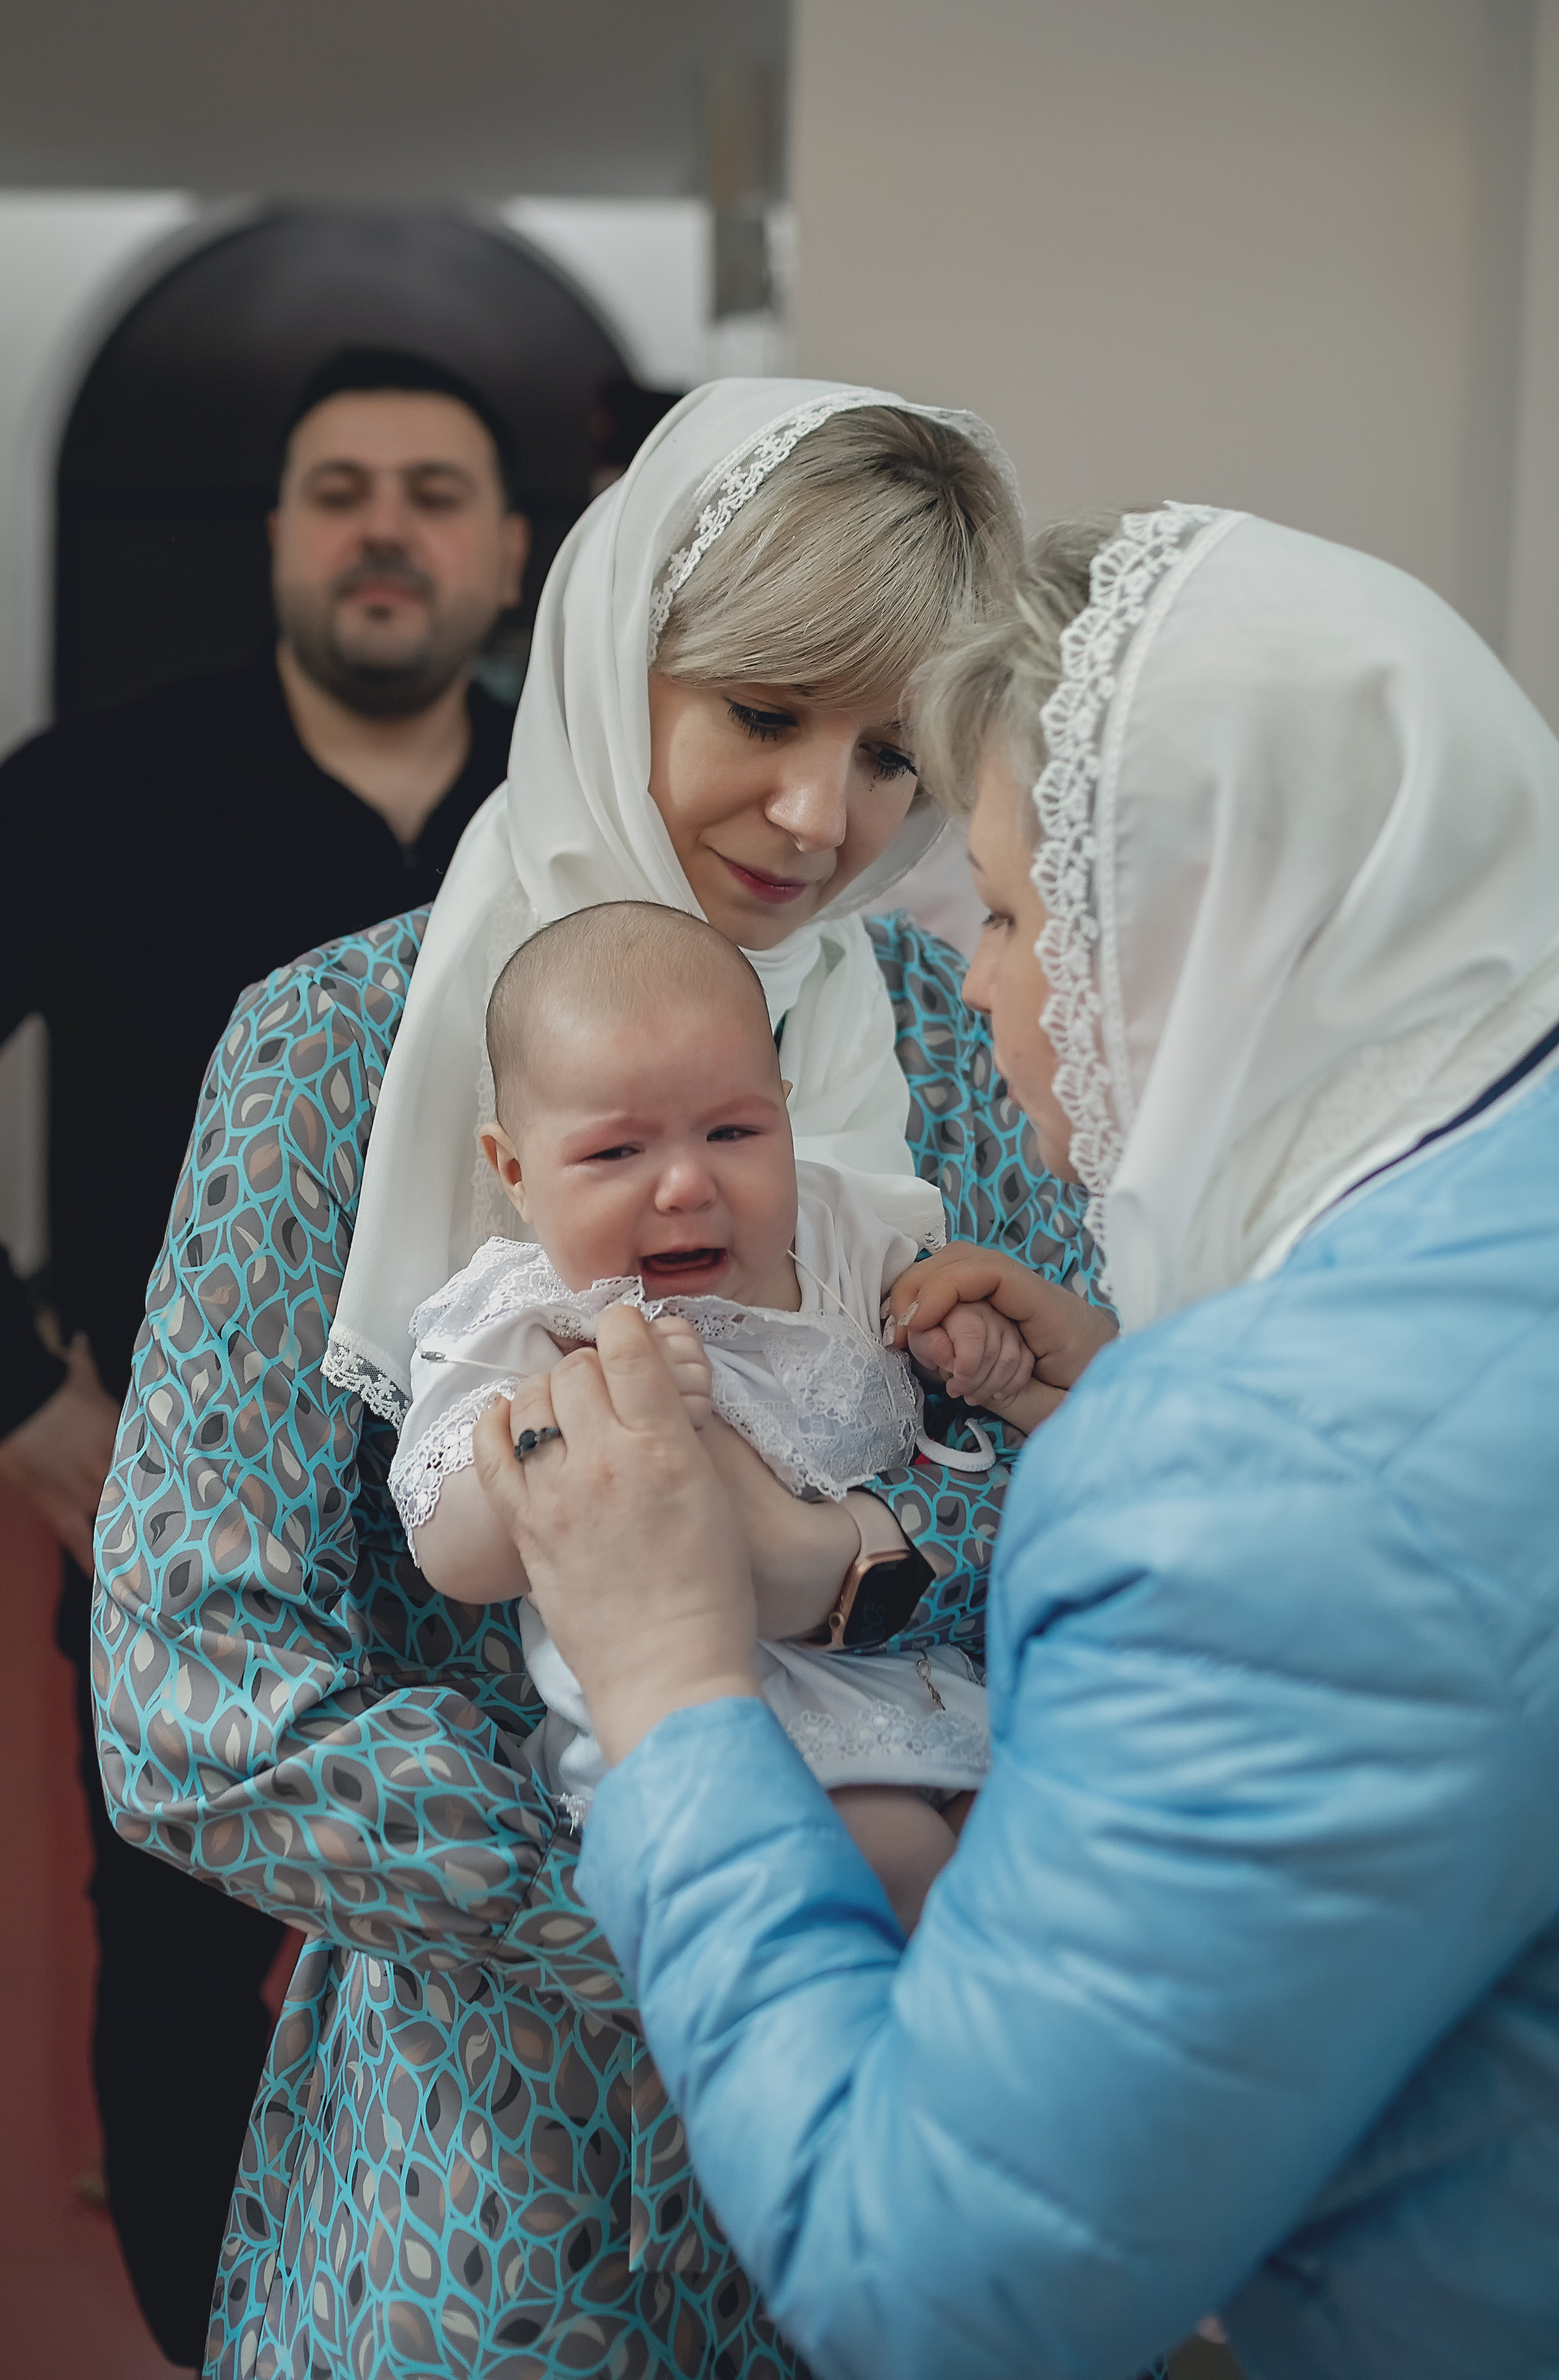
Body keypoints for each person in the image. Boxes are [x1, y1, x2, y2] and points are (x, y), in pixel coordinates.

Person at [474, 506, 1559, 2380]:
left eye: (1002, 910)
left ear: (1196, 932)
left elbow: (944, 2291)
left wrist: (667, 1685)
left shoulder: (1258, 1476)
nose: (980, 984)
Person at [94, 380, 1116, 2380]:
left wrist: (832, 1557)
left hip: (914, 2108)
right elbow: (195, 1682)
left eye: (894, 750)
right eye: (762, 713)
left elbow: (1098, 1530)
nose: (826, 815)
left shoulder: (955, 1030)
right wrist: (684, 1889)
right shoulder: (336, 1044)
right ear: (614, 637)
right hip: (480, 2153)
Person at [1, 342, 525, 2365]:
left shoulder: (586, 816)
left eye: (431, 488)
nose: (382, 524)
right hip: (192, 1521)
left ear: (503, 556)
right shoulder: (95, 791)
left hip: (534, 1530)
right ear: (284, 543)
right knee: (174, 1974)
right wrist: (37, 1415)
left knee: (503, 1973)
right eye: (337, 489)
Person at [395, 901, 1016, 1926]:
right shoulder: (529, 1316)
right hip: (719, 1724)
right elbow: (449, 1550)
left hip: (921, 1686)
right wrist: (583, 1418)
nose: (686, 1184)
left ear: (785, 1106)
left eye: (734, 1131)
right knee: (893, 1862)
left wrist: (963, 1335)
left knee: (1039, 1841)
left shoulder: (837, 1228)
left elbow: (927, 1305)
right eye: (615, 1155)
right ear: (514, 1170)